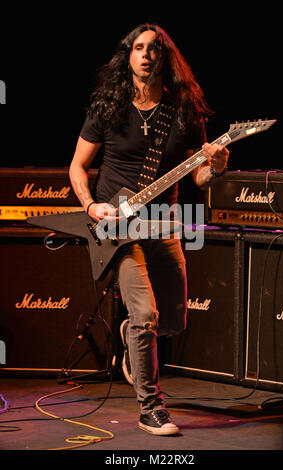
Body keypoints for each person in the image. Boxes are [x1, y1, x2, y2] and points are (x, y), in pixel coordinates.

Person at [69, 23, 229, 436]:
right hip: (117, 228)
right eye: (137, 48)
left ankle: (130, 335)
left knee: (172, 323)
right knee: (146, 314)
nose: (145, 55)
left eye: (153, 49)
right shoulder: (108, 105)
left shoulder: (184, 110)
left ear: (165, 58)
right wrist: (91, 204)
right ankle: (151, 408)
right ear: (129, 56)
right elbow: (77, 167)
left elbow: (199, 180)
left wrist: (216, 167)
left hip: (163, 224)